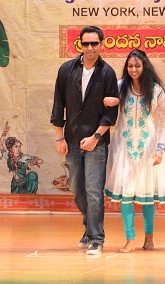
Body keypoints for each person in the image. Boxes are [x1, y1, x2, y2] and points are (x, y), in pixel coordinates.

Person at [51, 26, 119, 256]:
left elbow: (111, 114)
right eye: (86, 43)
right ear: (80, 45)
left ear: (102, 44)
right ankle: (89, 226)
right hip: (71, 140)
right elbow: (58, 105)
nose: (90, 48)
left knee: (93, 190)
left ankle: (96, 238)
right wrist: (59, 137)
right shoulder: (66, 70)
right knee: (77, 188)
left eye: (94, 43)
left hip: (97, 141)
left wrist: (95, 137)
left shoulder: (107, 73)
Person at [103, 49, 165, 253]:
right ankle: (130, 239)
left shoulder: (156, 90)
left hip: (148, 148)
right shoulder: (119, 87)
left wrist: (160, 148)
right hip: (124, 147)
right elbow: (106, 109)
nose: (133, 70)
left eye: (137, 66)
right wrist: (106, 102)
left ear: (145, 67)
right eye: (130, 66)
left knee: (146, 193)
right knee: (126, 193)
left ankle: (149, 238)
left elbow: (164, 122)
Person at [0, 121, 44, 194]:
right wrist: (5, 132)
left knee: (33, 174)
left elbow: (41, 161)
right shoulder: (8, 157)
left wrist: (35, 161)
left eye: (19, 146)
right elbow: (0, 144)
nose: (18, 148)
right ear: (11, 148)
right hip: (16, 184)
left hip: (25, 182)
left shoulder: (24, 157)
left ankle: (30, 195)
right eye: (16, 146)